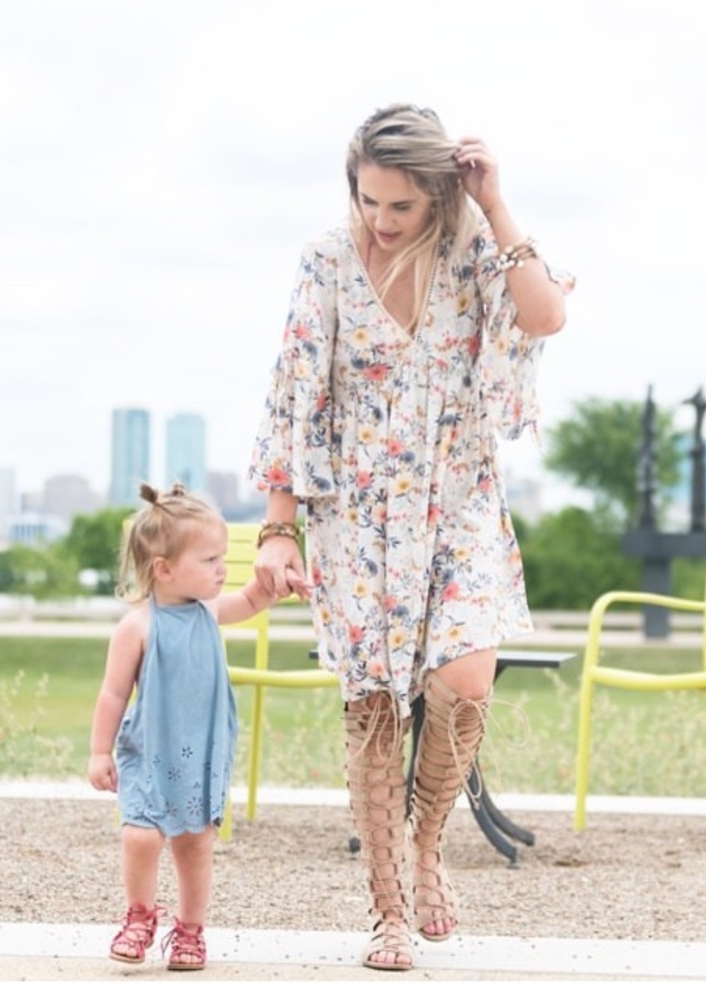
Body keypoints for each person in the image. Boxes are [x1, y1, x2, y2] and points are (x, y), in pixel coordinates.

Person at [249, 103, 573, 971]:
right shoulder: (325, 261)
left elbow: (543, 316)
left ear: (436, 196)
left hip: (457, 496)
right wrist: (279, 531)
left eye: (400, 207)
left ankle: (427, 845)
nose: (381, 223)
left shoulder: (473, 252)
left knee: (465, 676)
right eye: (367, 202)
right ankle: (388, 905)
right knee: (375, 709)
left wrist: (496, 204)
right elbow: (294, 396)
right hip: (356, 511)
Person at [88, 482, 307, 969]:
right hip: (149, 751)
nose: (221, 570)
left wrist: (280, 582)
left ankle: (190, 931)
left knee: (194, 844)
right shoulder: (137, 627)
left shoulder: (209, 611)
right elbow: (112, 694)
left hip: (201, 751)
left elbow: (251, 599)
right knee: (141, 836)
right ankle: (140, 915)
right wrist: (99, 752)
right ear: (163, 569)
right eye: (210, 561)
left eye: (222, 558)